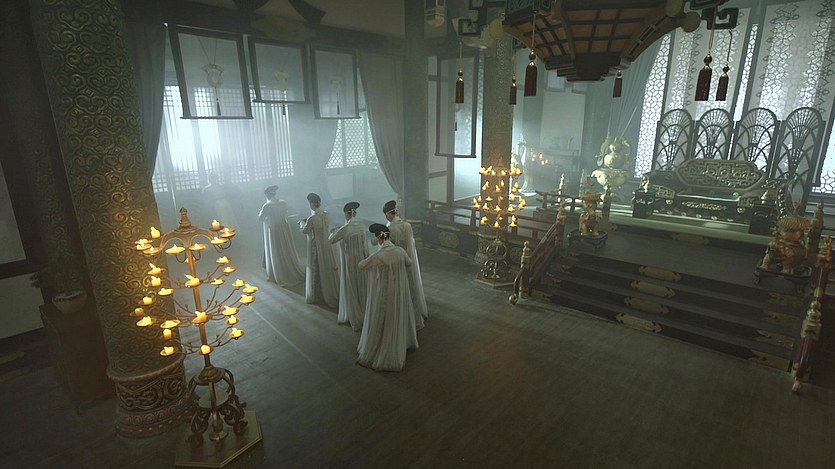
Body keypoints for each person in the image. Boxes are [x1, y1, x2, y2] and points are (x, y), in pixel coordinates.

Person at [357, 224, 419, 371]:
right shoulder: (400, 251)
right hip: (400, 290)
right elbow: (409, 263)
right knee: (396, 313)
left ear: (379, 239)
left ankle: (385, 344)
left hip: (385, 291)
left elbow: (361, 265)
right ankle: (399, 341)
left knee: (384, 315)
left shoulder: (379, 256)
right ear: (389, 237)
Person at [383, 200, 428, 322]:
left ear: (388, 214)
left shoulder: (390, 229)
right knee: (409, 284)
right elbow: (410, 245)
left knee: (397, 286)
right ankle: (413, 311)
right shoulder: (407, 225)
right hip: (407, 257)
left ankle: (400, 312)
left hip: (395, 260)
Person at [328, 202, 369, 331]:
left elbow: (331, 240)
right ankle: (365, 311)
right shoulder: (362, 226)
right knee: (361, 284)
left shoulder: (345, 229)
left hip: (350, 260)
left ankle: (354, 314)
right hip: (361, 258)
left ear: (347, 214)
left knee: (351, 284)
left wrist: (332, 231)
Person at [258, 185, 304, 286]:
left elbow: (261, 218)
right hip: (283, 228)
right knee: (285, 247)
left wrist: (261, 212)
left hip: (273, 229)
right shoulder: (283, 203)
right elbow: (285, 214)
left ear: (267, 195)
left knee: (276, 249)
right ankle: (288, 267)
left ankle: (278, 271)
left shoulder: (267, 206)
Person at [299, 193, 339, 308]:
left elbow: (305, 230)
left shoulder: (312, 218)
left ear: (311, 204)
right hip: (326, 244)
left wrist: (301, 223)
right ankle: (328, 289)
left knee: (316, 267)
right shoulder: (326, 214)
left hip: (316, 245)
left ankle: (318, 293)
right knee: (326, 266)